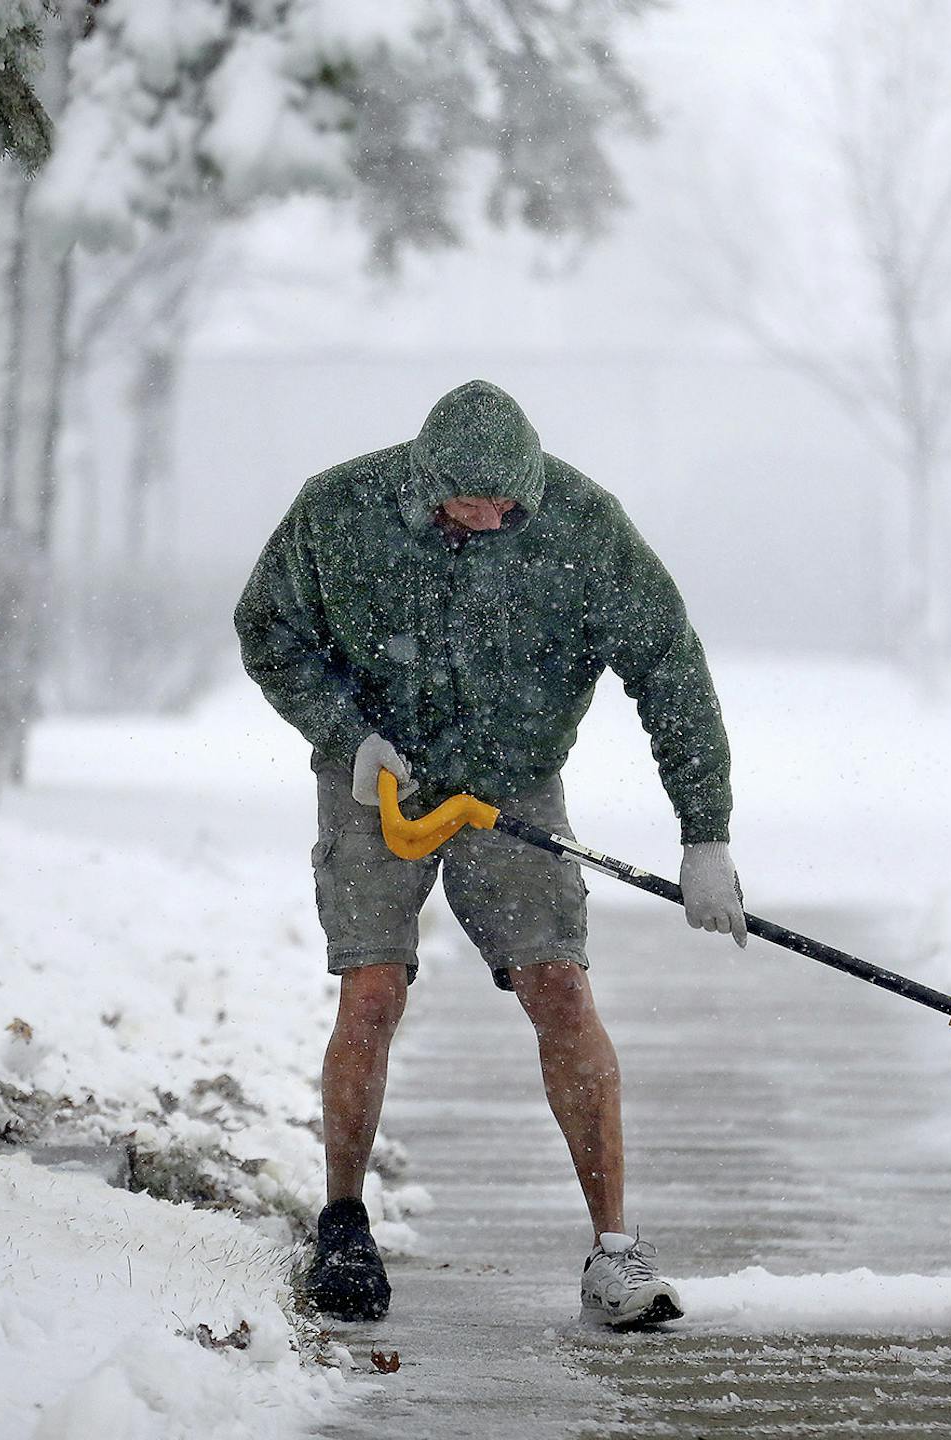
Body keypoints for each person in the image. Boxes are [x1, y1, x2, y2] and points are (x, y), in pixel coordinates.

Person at [234, 379, 745, 1329]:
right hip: (377, 784)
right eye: (472, 502)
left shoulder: (583, 528)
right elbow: (267, 630)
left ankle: (616, 1254)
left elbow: (668, 665)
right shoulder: (337, 510)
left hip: (513, 785)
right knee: (372, 989)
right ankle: (343, 1223)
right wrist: (348, 734)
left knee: (562, 991)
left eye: (509, 502)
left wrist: (704, 834)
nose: (492, 516)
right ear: (427, 482)